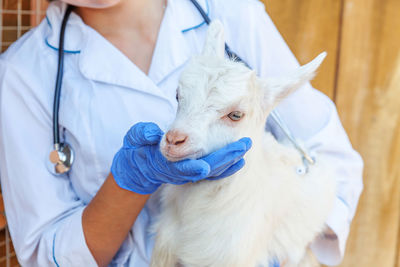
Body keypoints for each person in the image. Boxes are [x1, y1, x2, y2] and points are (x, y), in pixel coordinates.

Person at [0, 0, 363, 266]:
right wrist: (129, 183)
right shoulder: (23, 74)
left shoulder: (227, 11)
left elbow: (328, 156)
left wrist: (274, 248)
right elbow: (47, 254)